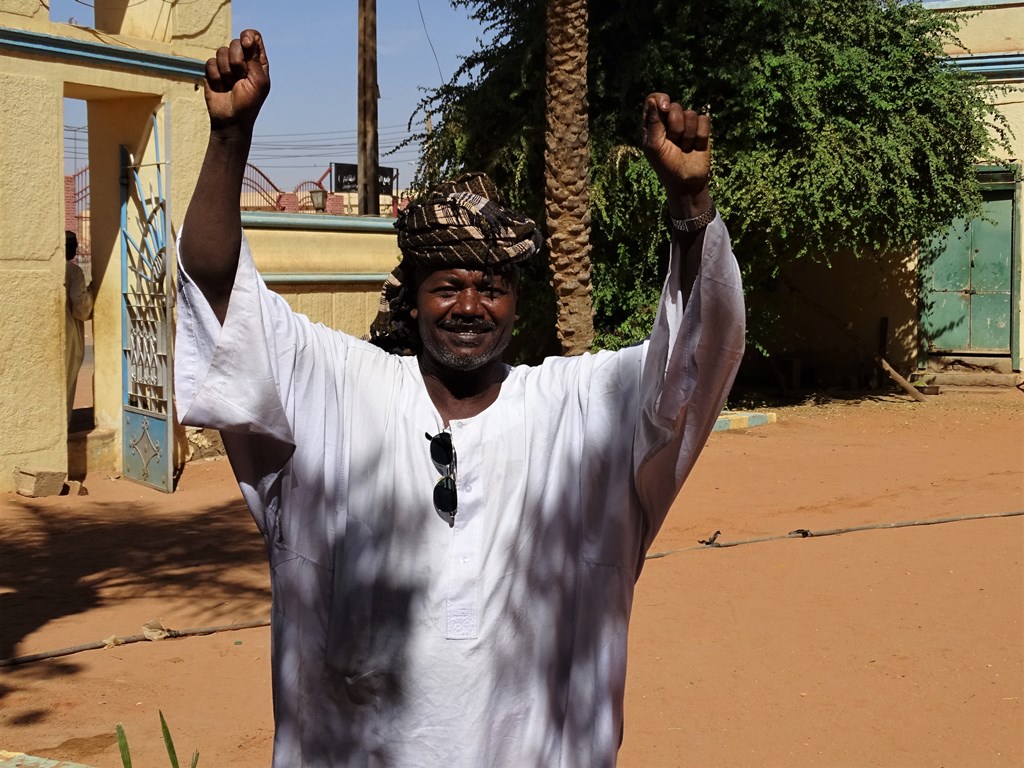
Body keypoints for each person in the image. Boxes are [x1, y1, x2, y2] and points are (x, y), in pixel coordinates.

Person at [175, 29, 745, 768]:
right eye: (447, 286)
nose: (470, 305)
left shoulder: (575, 410)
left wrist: (691, 205)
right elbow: (220, 296)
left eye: (492, 287)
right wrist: (230, 138)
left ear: (516, 305)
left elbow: (696, 358)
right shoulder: (336, 389)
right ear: (412, 303)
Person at [64, 230, 93, 422]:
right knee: (66, 383)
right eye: (73, 245)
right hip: (68, 333)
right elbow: (81, 306)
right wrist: (93, 291)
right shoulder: (73, 271)